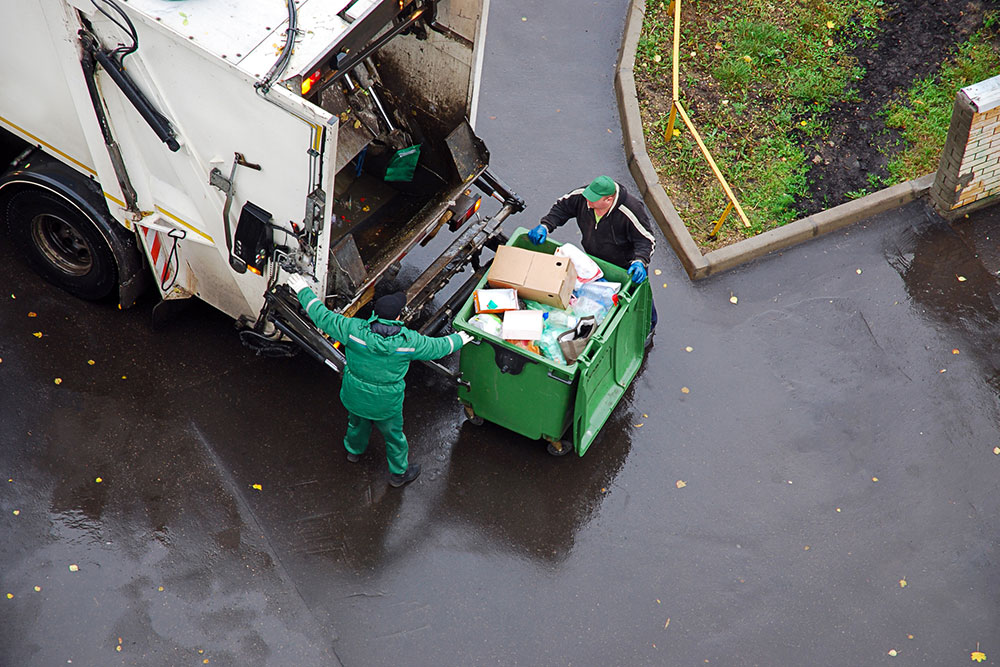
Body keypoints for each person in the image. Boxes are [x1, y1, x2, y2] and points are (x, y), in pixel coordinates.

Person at [287, 275, 473, 487]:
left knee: (356, 423)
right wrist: (461, 338)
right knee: (394, 437)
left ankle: (353, 452)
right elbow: (439, 347)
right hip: (386, 404)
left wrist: (303, 290)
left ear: (375, 314)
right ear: (398, 316)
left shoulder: (352, 330)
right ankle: (398, 474)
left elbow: (321, 317)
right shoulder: (408, 342)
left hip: (355, 395)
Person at [528, 175, 658, 332]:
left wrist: (640, 261)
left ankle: (649, 325)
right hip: (594, 260)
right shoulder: (584, 197)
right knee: (600, 297)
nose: (587, 203)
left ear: (608, 200)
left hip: (625, 266)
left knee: (640, 298)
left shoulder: (630, 210)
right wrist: (546, 225)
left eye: (593, 201)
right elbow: (562, 207)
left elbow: (646, 240)